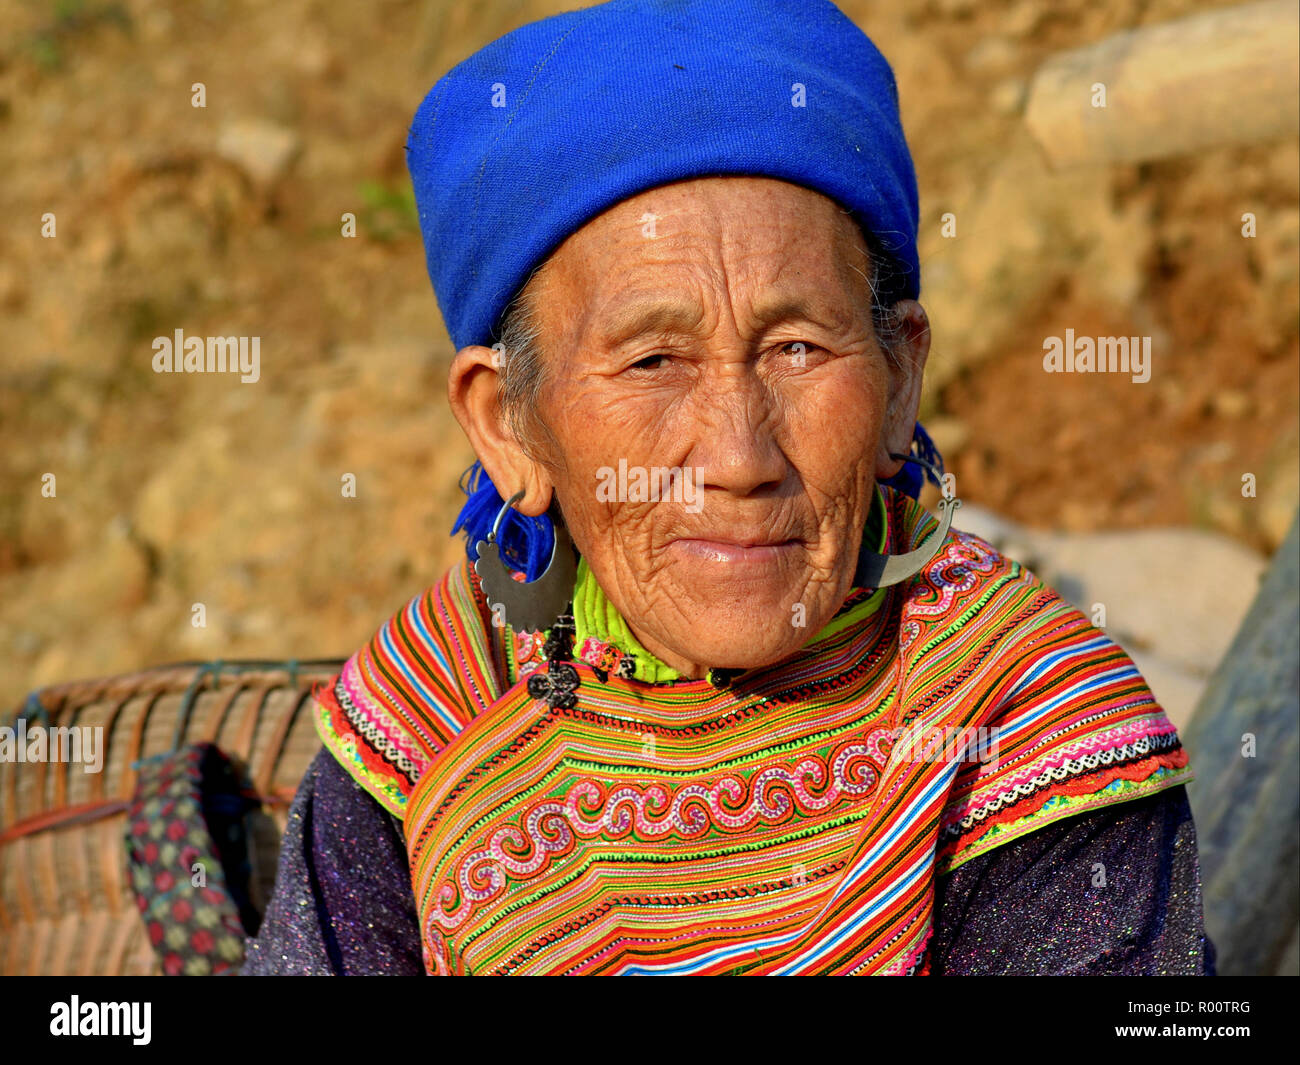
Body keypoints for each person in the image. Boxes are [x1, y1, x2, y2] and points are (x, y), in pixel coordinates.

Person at [243, 0, 1212, 976]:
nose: (740, 459)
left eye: (797, 347)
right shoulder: (435, 713)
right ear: (508, 423)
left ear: (897, 378)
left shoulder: (1025, 722)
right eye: (654, 360)